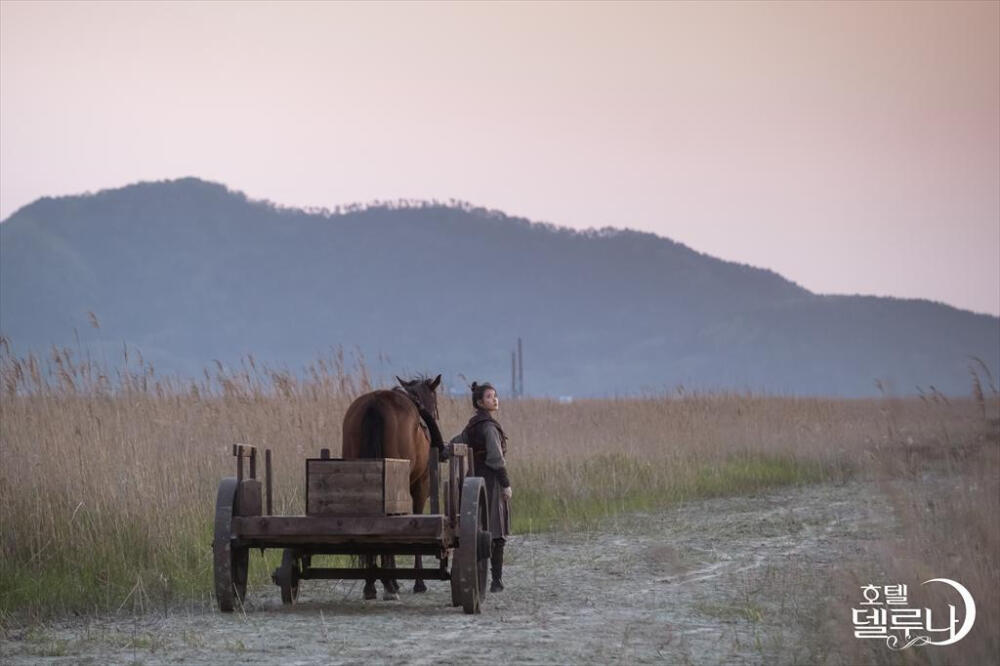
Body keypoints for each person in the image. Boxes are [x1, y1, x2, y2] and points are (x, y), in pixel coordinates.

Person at [451, 381, 511, 592]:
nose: (494, 399)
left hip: (473, 482)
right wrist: (506, 484)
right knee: (497, 531)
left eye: (495, 395)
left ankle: (488, 577)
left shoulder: (472, 426)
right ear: (479, 402)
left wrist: (441, 450)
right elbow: (496, 459)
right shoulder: (488, 427)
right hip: (491, 483)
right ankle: (496, 581)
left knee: (479, 528)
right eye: (489, 397)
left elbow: (456, 443)